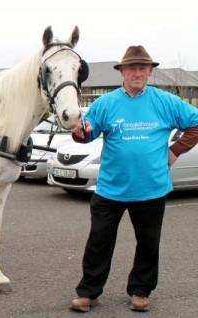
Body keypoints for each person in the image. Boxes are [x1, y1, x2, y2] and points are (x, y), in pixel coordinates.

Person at [69, 45, 198, 313]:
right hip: (110, 189)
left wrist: (175, 150)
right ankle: (88, 292)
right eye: (131, 68)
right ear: (122, 73)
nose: (137, 72)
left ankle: (140, 291)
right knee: (98, 243)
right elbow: (86, 132)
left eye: (142, 68)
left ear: (150, 72)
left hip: (151, 189)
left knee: (148, 244)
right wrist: (81, 132)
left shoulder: (166, 102)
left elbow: (196, 124)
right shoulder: (105, 103)